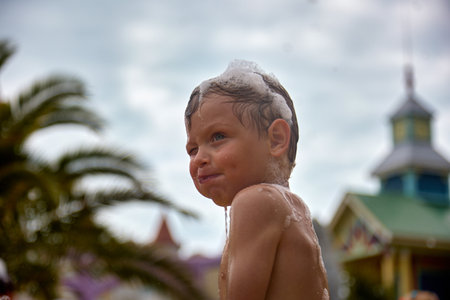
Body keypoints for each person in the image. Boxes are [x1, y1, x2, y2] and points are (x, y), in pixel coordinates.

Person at [185, 60, 329, 300]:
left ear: (276, 140)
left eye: (218, 136)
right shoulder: (294, 209)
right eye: (192, 149)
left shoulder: (255, 201)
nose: (199, 158)